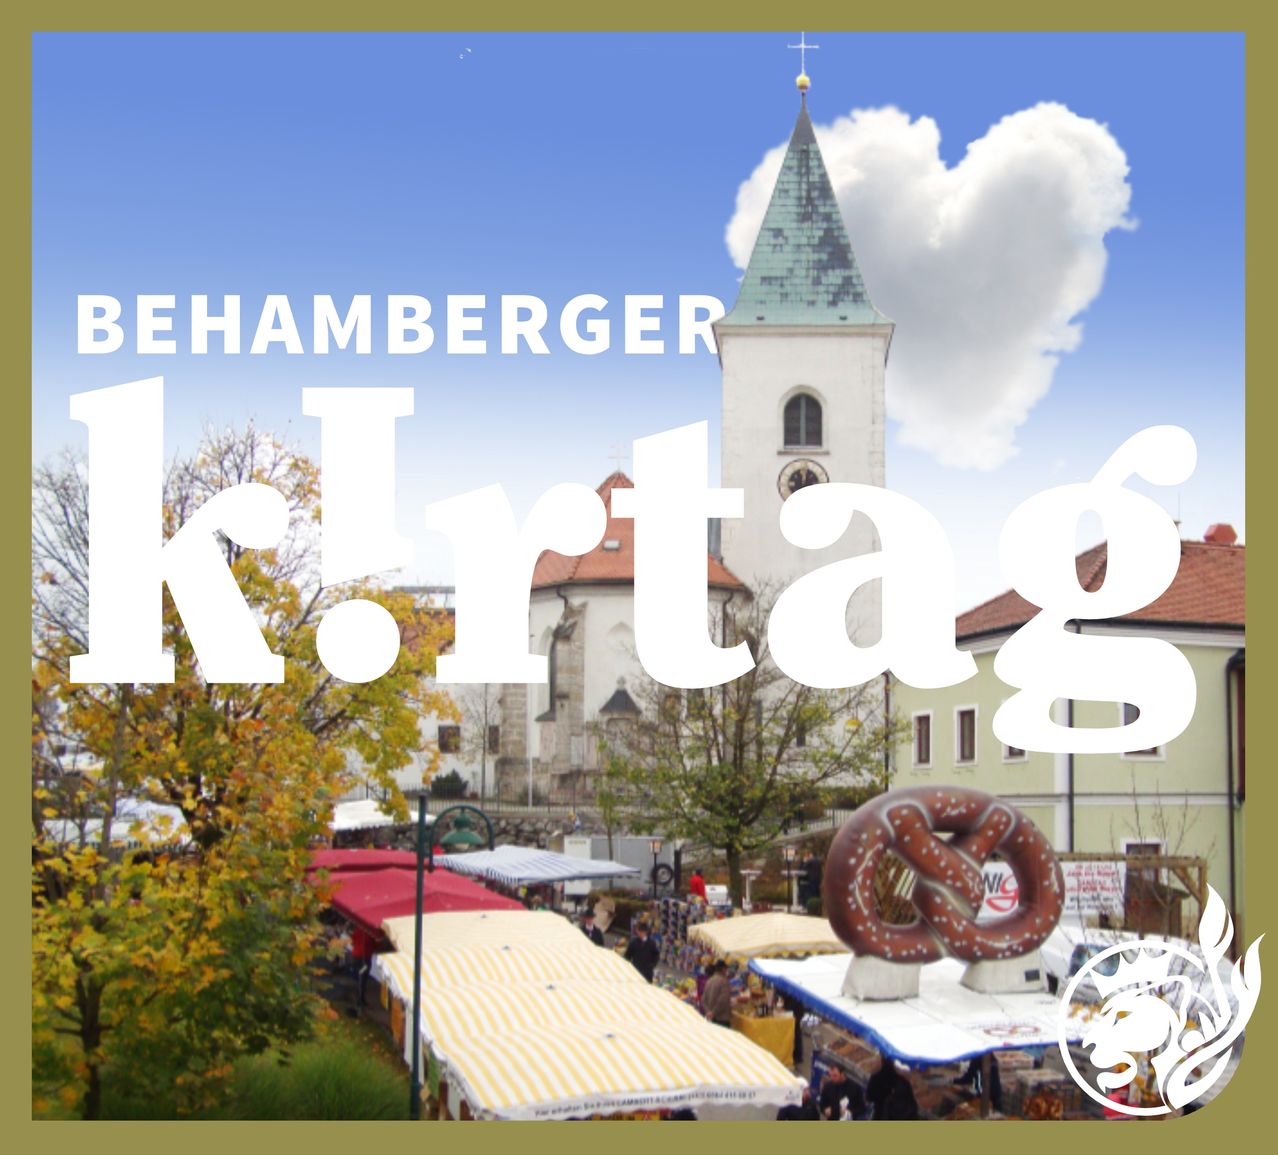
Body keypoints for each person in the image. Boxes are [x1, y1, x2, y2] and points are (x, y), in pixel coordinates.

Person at [700, 960, 732, 1026]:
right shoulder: (724, 981)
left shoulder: (710, 980)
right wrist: (713, 1012)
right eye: (726, 969)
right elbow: (723, 1000)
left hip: (711, 1017)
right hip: (721, 1018)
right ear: (723, 969)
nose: (726, 971)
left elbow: (703, 999)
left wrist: (708, 1011)